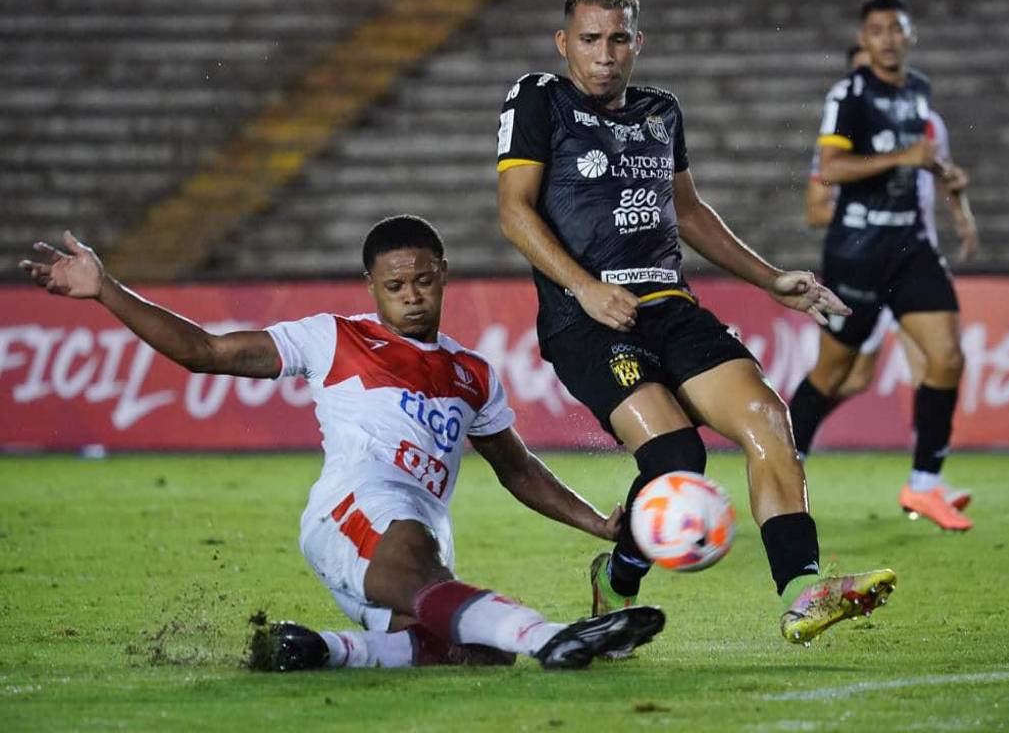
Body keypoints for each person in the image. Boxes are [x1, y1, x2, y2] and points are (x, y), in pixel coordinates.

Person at [18, 216, 664, 671]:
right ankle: (554, 638)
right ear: (370, 286)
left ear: (443, 275)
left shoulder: (474, 375)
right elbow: (205, 352)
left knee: (468, 653)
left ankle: (321, 651)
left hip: (421, 530)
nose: (411, 296)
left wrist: (599, 526)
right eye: (395, 286)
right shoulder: (333, 338)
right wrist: (105, 289)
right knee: (430, 572)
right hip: (354, 510)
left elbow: (518, 469)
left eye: (423, 281)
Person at [495, 0, 896, 646]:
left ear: (638, 43)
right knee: (678, 458)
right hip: (586, 318)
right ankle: (618, 577)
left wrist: (770, 278)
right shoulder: (539, 100)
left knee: (770, 418)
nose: (605, 54)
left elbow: (689, 213)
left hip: (669, 302)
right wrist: (585, 288)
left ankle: (804, 592)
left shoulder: (661, 111)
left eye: (618, 40)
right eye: (589, 39)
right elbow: (513, 213)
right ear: (563, 42)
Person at [788, 0, 974, 531]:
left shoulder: (919, 91)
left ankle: (924, 486)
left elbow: (917, 161)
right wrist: (903, 159)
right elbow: (831, 168)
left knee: (948, 357)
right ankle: (781, 460)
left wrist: (945, 182)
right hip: (858, 252)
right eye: (877, 30)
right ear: (864, 41)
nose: (888, 38)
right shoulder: (849, 93)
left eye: (897, 28)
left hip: (911, 248)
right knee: (835, 373)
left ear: (909, 35)